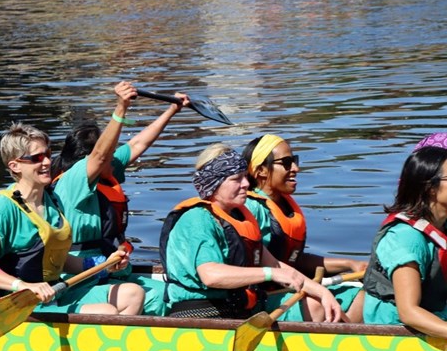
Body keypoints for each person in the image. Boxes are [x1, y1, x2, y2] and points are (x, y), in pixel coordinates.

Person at [0, 123, 143, 315]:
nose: (46, 162)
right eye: (37, 158)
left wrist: (103, 265)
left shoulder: (52, 200)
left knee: (132, 294)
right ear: (15, 166)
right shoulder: (3, 207)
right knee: (106, 312)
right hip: (16, 304)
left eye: (48, 154)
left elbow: (57, 260)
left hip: (54, 294)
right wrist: (23, 285)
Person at [159, 143, 343, 321]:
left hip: (239, 307)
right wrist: (269, 274)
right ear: (214, 183)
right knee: (314, 306)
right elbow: (211, 275)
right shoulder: (196, 220)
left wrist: (322, 292)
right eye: (236, 179)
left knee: (316, 303)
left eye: (245, 177)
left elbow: (275, 265)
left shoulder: (238, 217)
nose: (246, 184)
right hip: (201, 313)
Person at [51, 83, 191, 316]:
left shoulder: (108, 169)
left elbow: (138, 144)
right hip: (79, 276)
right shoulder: (73, 179)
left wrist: (172, 110)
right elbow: (99, 155)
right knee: (152, 298)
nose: (114, 155)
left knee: (172, 295)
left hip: (112, 269)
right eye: (110, 150)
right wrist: (121, 107)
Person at [242, 134, 365, 322]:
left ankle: (349, 338)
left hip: (292, 287)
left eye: (295, 161)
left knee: (360, 296)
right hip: (260, 298)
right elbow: (260, 262)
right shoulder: (251, 208)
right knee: (317, 305)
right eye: (287, 163)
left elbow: (294, 260)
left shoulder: (285, 206)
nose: (296, 168)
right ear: (261, 171)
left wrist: (350, 264)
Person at [362, 146, 447, 338]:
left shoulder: (442, 225)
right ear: (430, 188)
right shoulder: (406, 238)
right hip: (398, 335)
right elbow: (409, 313)